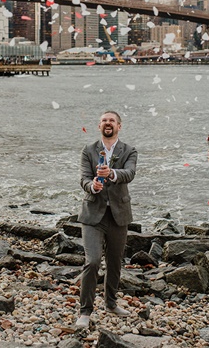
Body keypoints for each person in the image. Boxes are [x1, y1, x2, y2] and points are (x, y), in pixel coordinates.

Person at [75, 110, 137, 329]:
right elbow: (83, 177)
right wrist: (92, 185)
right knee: (92, 261)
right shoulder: (88, 150)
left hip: (119, 214)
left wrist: (111, 173)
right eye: (103, 121)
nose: (107, 123)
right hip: (93, 214)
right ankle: (85, 311)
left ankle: (110, 302)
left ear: (119, 126)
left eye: (111, 120)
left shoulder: (129, 150)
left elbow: (129, 174)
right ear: (98, 126)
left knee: (115, 262)